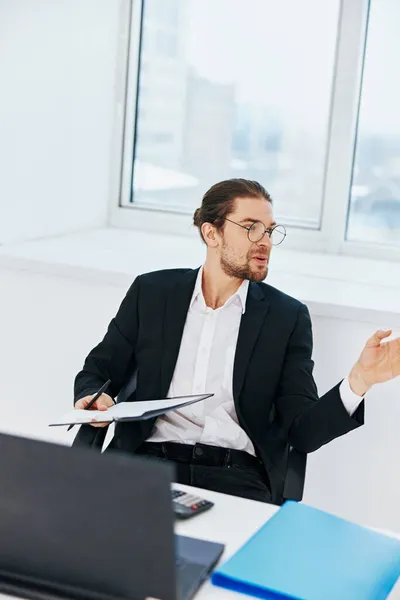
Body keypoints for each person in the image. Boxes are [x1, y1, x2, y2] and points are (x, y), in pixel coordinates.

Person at [74, 179, 400, 504]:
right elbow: (99, 371)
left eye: (270, 231)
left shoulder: (285, 318)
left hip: (236, 477)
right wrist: (93, 399)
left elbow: (302, 431)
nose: (265, 241)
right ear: (211, 233)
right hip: (146, 464)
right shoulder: (152, 293)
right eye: (251, 227)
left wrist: (360, 380)